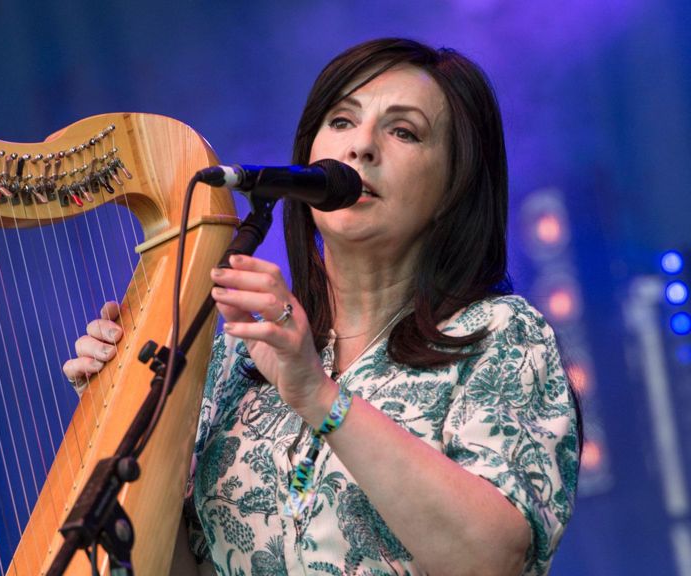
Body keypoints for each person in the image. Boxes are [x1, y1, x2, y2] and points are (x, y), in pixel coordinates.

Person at [64, 38, 581, 576]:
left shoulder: (500, 336)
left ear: (454, 185)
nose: (361, 147)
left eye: (403, 131)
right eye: (341, 122)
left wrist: (317, 394)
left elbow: (490, 559)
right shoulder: (236, 360)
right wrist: (121, 412)